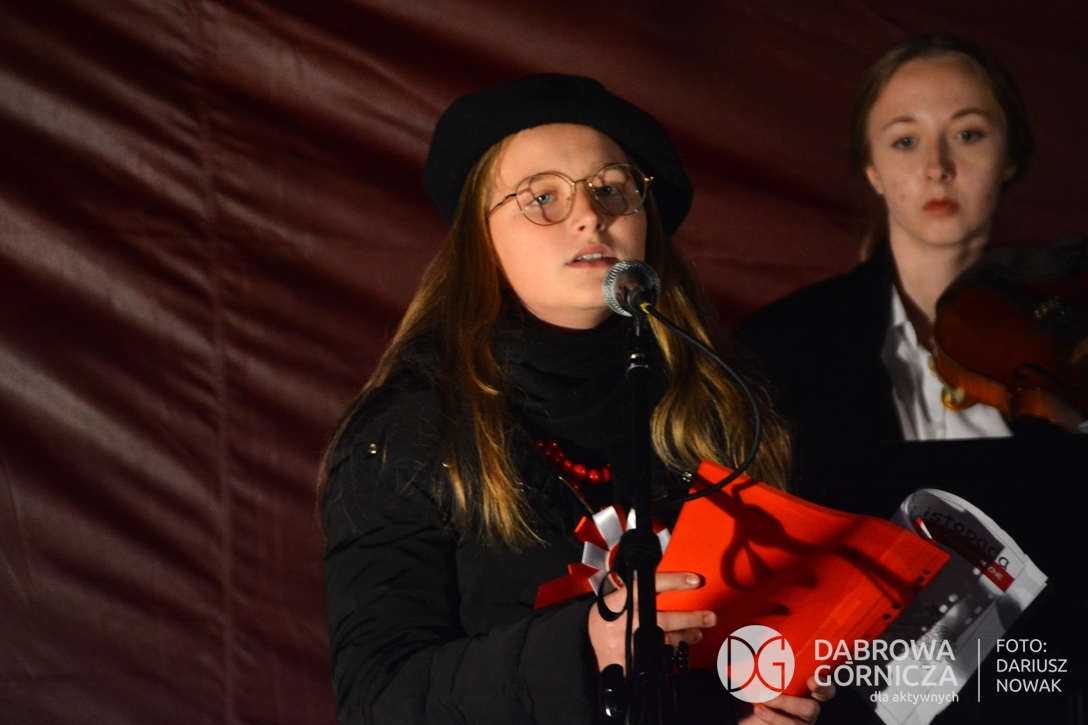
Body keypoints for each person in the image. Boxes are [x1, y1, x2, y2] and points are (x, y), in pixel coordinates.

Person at [320, 74, 832, 724]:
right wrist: (582, 646)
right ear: (480, 239)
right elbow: (376, 699)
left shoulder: (727, 404)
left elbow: (770, 636)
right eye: (542, 197)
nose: (591, 214)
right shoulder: (408, 431)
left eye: (612, 189)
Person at [735, 34, 1038, 491]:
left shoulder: (1071, 340)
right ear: (872, 169)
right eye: (906, 141)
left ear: (1009, 157)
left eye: (968, 134)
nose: (937, 167)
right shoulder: (779, 346)